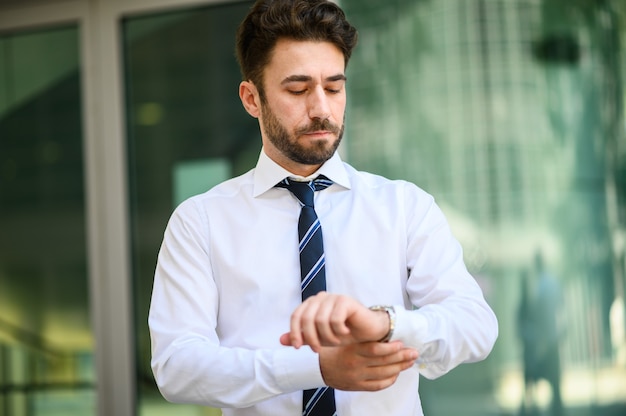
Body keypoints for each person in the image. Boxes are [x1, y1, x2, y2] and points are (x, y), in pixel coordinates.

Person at [148, 1, 498, 415]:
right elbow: (176, 366)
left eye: (333, 87)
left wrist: (387, 324)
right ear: (251, 98)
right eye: (297, 89)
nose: (321, 109)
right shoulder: (201, 222)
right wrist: (315, 368)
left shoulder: (404, 206)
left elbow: (476, 326)